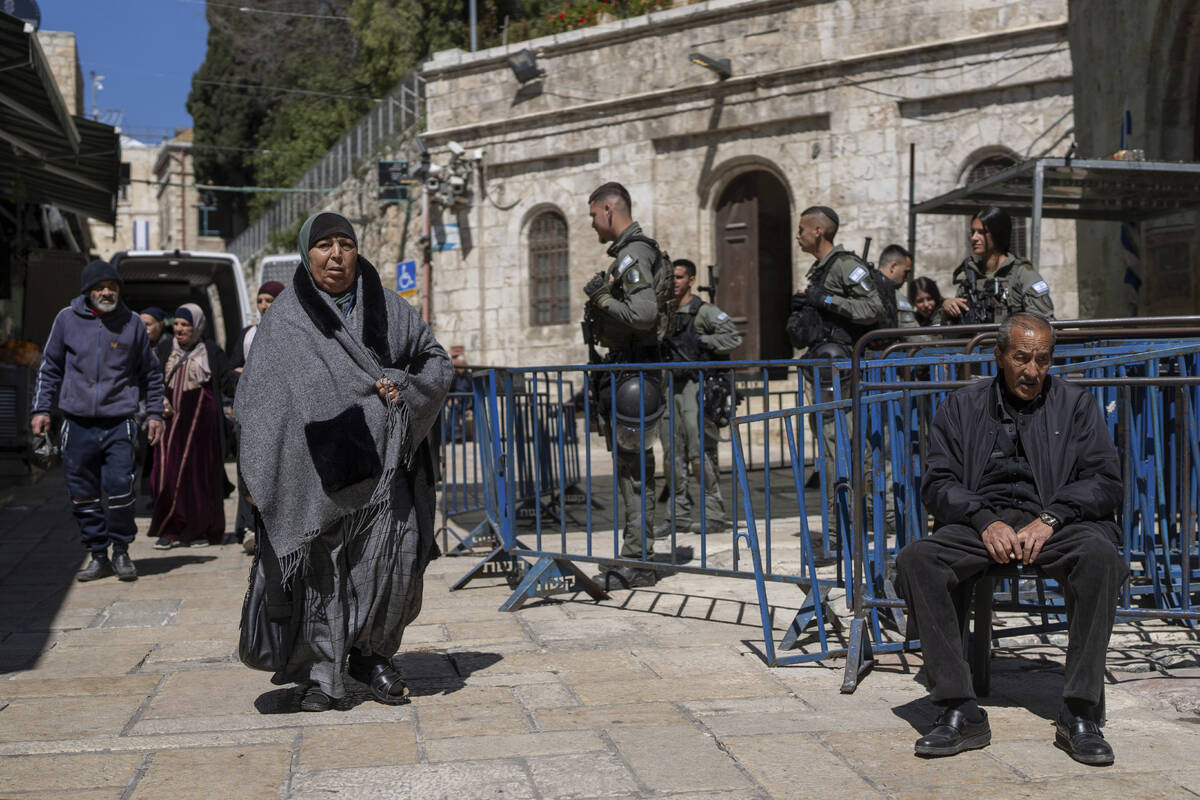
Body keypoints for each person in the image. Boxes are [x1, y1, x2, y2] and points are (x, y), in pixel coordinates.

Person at [234, 211, 451, 712]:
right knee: (322, 574)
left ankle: (373, 657)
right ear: (307, 254)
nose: (336, 255)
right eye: (325, 245)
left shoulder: (389, 309)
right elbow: (257, 401)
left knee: (391, 565)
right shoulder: (285, 319)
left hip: (386, 470)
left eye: (346, 244)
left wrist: (401, 385)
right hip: (316, 474)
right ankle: (320, 675)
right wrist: (255, 473)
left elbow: (435, 360)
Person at [895, 313, 1126, 765]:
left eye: (1042, 360)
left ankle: (1080, 711)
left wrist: (1052, 517)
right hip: (982, 524)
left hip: (1053, 522)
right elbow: (937, 482)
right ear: (998, 356)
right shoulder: (962, 406)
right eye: (1022, 358)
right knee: (918, 559)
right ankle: (957, 707)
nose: (1032, 371)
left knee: (1099, 556)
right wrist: (982, 519)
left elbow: (1104, 480)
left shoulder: (1075, 405)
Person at [32, 260, 164, 582]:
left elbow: (151, 372)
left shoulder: (132, 323)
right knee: (82, 493)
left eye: (112, 287)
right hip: (76, 423)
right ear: (87, 291)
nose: (107, 292)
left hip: (119, 421)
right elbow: (50, 368)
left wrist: (156, 413)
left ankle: (121, 551)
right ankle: (97, 554)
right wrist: (41, 410)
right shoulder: (66, 320)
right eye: (100, 287)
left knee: (121, 489)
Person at [582, 181, 667, 589]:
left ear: (609, 210)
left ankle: (640, 559)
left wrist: (602, 299)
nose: (593, 224)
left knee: (635, 470)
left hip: (635, 374)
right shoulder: (628, 253)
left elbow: (645, 313)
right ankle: (636, 552)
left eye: (594, 215)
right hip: (628, 374)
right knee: (631, 468)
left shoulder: (633, 253)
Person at [786, 206, 883, 536]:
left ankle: (842, 527)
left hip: (842, 370)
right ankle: (847, 522)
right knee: (833, 445)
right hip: (825, 369)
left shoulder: (845, 266)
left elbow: (872, 309)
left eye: (801, 229)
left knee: (841, 446)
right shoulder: (822, 269)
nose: (797, 235)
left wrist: (826, 301)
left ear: (818, 232)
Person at [657, 258, 742, 536]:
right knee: (672, 454)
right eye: (671, 278)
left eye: (679, 277)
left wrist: (703, 342)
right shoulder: (665, 313)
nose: (674, 283)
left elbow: (733, 338)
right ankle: (677, 516)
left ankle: (714, 514)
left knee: (699, 453)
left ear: (691, 280)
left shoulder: (704, 312)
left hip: (697, 386)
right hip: (671, 387)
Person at [149, 303, 237, 548]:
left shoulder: (210, 351)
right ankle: (169, 529)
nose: (179, 329)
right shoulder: (166, 347)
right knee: (165, 476)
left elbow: (227, 382)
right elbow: (152, 378)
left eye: (185, 325)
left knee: (199, 478)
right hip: (170, 424)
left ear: (197, 326)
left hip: (201, 426)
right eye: (176, 323)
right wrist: (158, 401)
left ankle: (200, 530)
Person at [228, 281, 284, 547]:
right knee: (247, 470)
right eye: (260, 300)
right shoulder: (249, 334)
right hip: (250, 414)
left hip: (280, 415)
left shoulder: (291, 332)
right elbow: (232, 369)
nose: (264, 306)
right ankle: (248, 527)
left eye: (269, 300)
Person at [941, 207, 1055, 324]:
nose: (974, 238)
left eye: (982, 232)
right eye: (973, 232)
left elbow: (1043, 322)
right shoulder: (971, 278)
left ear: (998, 234)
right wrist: (947, 307)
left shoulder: (1021, 273)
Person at [873, 244, 918, 329]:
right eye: (906, 272)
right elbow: (912, 334)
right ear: (893, 267)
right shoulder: (895, 295)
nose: (907, 278)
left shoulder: (868, 286)